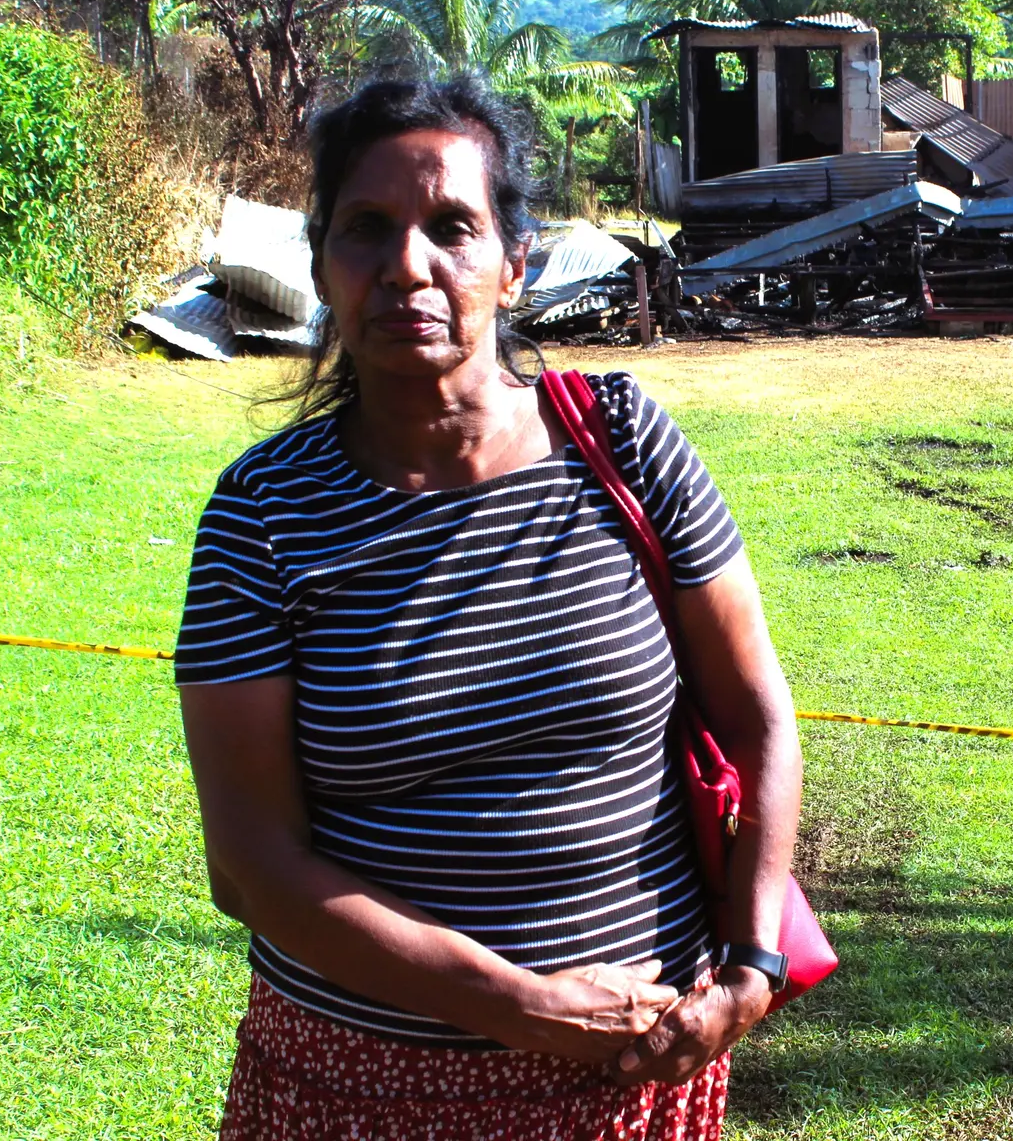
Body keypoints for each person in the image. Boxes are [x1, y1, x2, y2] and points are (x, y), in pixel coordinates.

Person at [175, 78, 803, 1139]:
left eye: (452, 228)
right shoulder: (263, 516)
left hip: (640, 1068)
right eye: (367, 229)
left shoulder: (626, 442)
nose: (408, 265)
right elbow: (252, 863)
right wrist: (520, 1004)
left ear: (516, 264)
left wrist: (751, 961)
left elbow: (758, 718)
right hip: (361, 1087)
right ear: (323, 264)